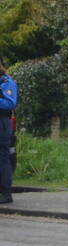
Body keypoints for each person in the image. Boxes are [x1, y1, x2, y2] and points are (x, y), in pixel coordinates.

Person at [0, 61, 18, 204]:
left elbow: (10, 103)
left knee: (2, 157)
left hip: (2, 122)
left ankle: (6, 193)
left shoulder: (6, 81)